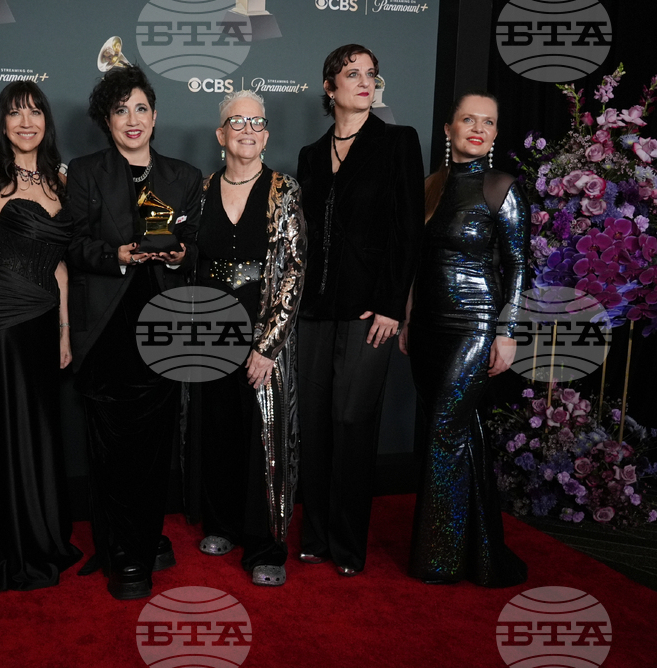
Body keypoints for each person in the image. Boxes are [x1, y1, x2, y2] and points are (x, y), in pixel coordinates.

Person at [65, 65, 201, 600]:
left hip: (163, 330)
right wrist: (115, 255)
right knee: (107, 447)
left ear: (155, 115)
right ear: (106, 118)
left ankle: (139, 549)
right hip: (104, 331)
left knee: (151, 448)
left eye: (141, 108)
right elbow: (73, 245)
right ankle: (117, 544)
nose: (132, 119)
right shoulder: (84, 172)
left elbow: (197, 249)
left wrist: (181, 252)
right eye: (120, 109)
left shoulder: (184, 176)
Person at [296, 44, 424, 576]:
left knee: (352, 422)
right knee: (317, 425)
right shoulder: (308, 154)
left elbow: (407, 230)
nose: (366, 82)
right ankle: (317, 537)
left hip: (371, 313)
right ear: (330, 88)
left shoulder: (398, 143)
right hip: (313, 311)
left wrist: (394, 306)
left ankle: (348, 545)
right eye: (353, 74)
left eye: (372, 74)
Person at [0, 81, 83, 593]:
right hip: (3, 321)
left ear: (47, 123)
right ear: (1, 123)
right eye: (15, 114)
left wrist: (64, 330)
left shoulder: (60, 180)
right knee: (8, 433)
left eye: (35, 113)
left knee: (42, 431)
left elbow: (59, 267)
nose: (26, 122)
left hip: (43, 321)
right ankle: (7, 545)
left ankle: (43, 533)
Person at [401, 92, 529, 587]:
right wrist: (409, 319)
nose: (478, 128)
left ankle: (440, 559)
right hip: (428, 328)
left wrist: (508, 332)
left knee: (443, 431)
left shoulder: (502, 188)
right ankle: (478, 549)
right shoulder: (429, 186)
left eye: (489, 122)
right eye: (468, 119)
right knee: (461, 432)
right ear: (450, 128)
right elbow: (415, 263)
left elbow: (518, 265)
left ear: (496, 135)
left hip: (475, 327)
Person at [194, 91, 306, 587]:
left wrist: (268, 345)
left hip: (263, 333)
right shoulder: (200, 190)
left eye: (255, 122)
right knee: (219, 431)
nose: (246, 129)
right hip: (212, 332)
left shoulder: (284, 190)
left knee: (265, 439)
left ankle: (266, 544)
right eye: (235, 122)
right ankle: (222, 524)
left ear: (265, 134)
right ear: (221, 135)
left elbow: (294, 271)